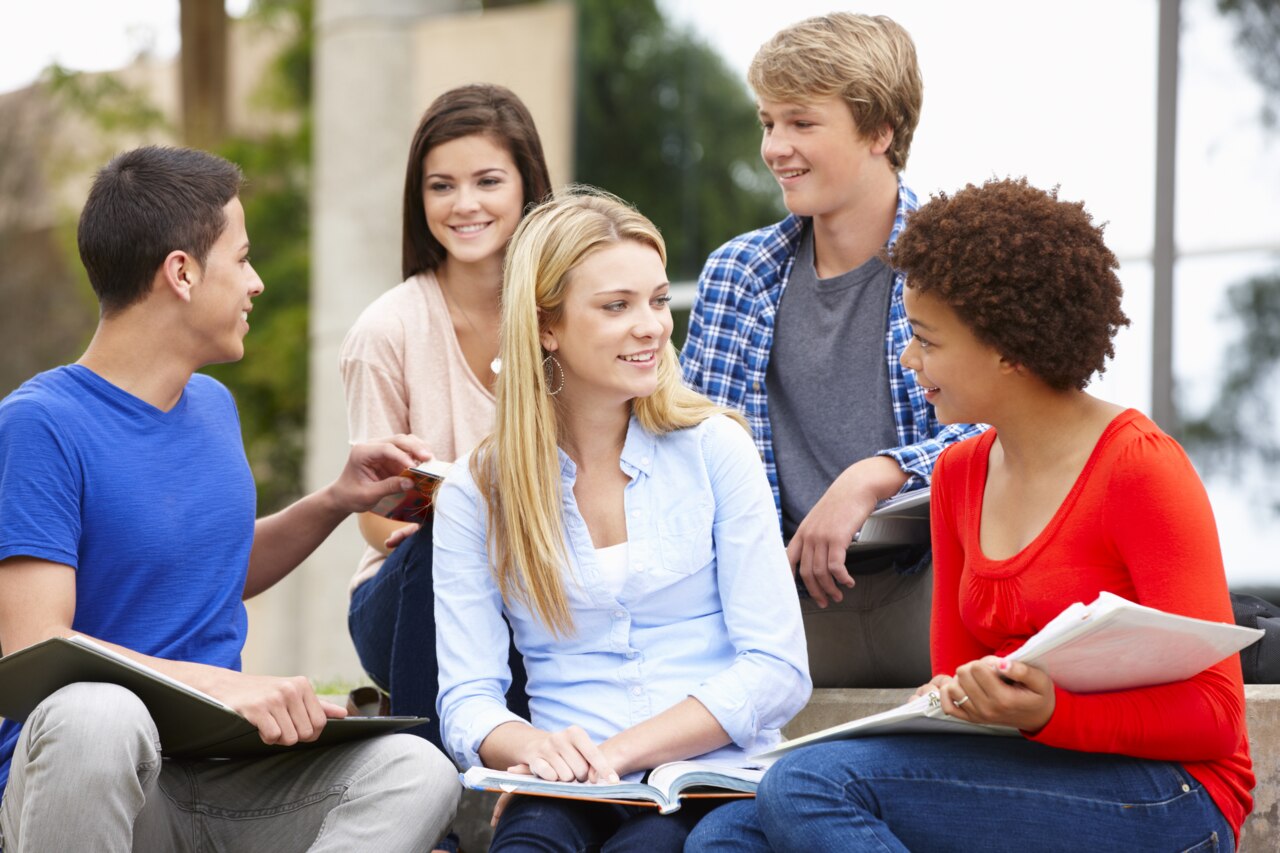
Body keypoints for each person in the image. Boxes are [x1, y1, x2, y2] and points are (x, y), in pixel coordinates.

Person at [686, 177, 1254, 851]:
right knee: (724, 836)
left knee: (809, 786)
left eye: (925, 339)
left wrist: (1051, 710)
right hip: (1033, 769)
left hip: (1175, 795)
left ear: (1008, 348)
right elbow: (953, 684)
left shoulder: (1139, 468)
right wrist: (954, 699)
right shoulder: (958, 475)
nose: (908, 357)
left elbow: (1217, 716)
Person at [0, 146, 460, 852]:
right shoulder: (40, 425)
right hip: (93, 782)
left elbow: (207, 570)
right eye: (241, 258)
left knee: (414, 771)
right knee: (99, 714)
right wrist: (221, 688)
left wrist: (335, 500)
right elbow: (35, 647)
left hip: (220, 779)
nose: (256, 282)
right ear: (181, 272)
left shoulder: (211, 406)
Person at [431, 190, 811, 851]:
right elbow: (468, 696)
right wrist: (536, 750)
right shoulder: (478, 489)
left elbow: (777, 669)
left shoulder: (717, 448)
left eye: (659, 300)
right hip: (567, 783)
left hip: (707, 777)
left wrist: (616, 754)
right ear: (546, 325)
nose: (653, 326)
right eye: (617, 306)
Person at [681, 12, 985, 688]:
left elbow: (1009, 434)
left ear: (880, 130)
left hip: (938, 590)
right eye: (768, 122)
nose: (775, 147)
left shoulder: (959, 264)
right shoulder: (738, 275)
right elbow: (690, 455)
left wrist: (878, 473)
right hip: (780, 612)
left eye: (801, 122)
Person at [341, 82, 552, 742]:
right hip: (407, 596)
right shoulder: (387, 330)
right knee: (446, 531)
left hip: (542, 589)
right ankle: (423, 803)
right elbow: (377, 521)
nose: (464, 205)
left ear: (526, 186)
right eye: (441, 186)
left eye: (487, 180)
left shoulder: (567, 316)